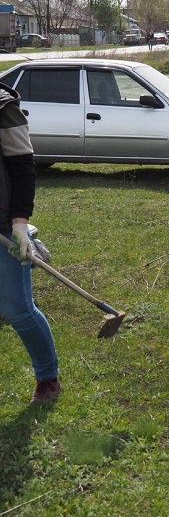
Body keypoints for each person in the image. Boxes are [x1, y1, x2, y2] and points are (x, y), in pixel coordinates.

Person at [0, 82, 60, 404]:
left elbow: (23, 167)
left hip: (4, 224)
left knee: (17, 308)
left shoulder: (3, 108)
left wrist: (20, 224)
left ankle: (48, 378)